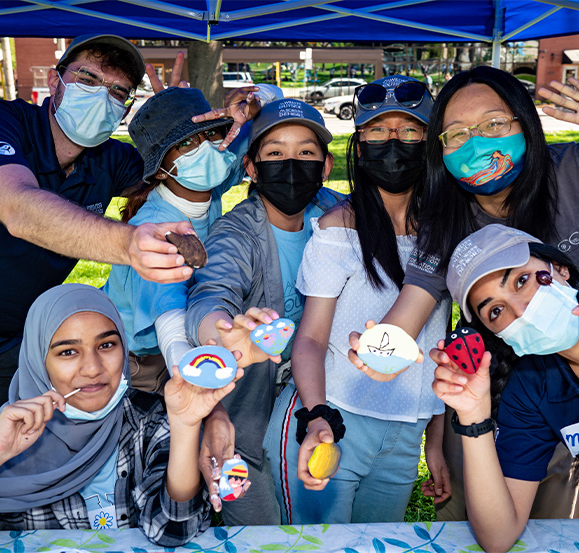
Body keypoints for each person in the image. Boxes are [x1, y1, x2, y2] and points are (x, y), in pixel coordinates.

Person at [350, 67, 579, 521]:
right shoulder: (444, 215)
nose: (475, 144)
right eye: (454, 135)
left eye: (494, 124)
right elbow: (412, 304)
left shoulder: (578, 171)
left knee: (553, 520)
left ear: (526, 124)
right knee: (470, 514)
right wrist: (381, 347)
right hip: (486, 382)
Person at [0, 34, 196, 484]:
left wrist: (178, 117)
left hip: (11, 343)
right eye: (88, 78)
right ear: (55, 80)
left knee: (13, 463)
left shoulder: (110, 160)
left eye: (118, 92)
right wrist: (127, 245)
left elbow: (179, 175)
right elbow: (19, 209)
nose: (101, 97)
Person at [0, 284, 239, 552]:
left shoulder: (147, 421)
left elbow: (173, 532)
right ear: (37, 360)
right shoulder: (1, 436)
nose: (92, 368)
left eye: (107, 345)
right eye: (68, 352)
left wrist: (184, 426)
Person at [263, 75, 451, 524]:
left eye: (409, 130)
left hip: (407, 434)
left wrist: (436, 442)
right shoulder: (337, 230)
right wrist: (316, 415)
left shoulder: (448, 231)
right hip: (333, 424)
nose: (393, 141)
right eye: (377, 130)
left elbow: (438, 345)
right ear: (360, 145)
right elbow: (310, 340)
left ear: (430, 142)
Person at [431, 224, 579, 552]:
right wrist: (474, 416)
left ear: (559, 268)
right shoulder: (529, 385)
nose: (520, 311)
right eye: (495, 311)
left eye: (521, 280)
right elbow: (498, 535)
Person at [185, 98, 343, 525]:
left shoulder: (339, 217)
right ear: (252, 168)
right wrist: (222, 335)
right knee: (260, 532)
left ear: (326, 166)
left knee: (320, 527)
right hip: (242, 430)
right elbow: (210, 296)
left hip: (316, 409)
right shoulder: (237, 231)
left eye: (306, 153)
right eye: (274, 153)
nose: (291, 164)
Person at [103, 86, 251, 395]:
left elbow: (252, 137)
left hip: (187, 326)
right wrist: (188, 369)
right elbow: (169, 316)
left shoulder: (208, 188)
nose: (205, 149)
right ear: (159, 170)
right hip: (139, 357)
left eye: (210, 135)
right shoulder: (155, 228)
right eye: (186, 143)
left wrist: (251, 105)